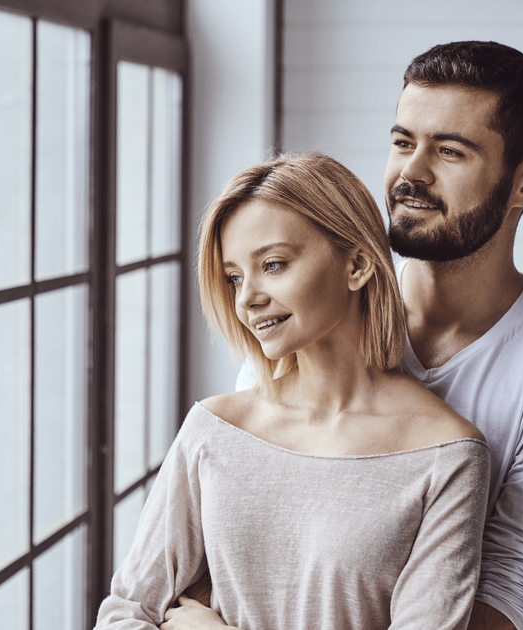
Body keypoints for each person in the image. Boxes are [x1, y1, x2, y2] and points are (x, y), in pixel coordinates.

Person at [183, 41, 523, 630]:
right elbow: (213, 550)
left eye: (449, 151)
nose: (410, 174)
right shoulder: (308, 312)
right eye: (402, 142)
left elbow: (505, 605)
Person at [94, 152, 490, 630]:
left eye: (274, 265)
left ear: (358, 264)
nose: (247, 298)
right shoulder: (213, 430)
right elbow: (124, 614)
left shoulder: (446, 456)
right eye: (234, 277)